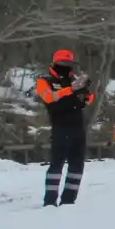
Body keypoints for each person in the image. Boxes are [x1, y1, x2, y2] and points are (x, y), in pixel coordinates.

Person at [35, 49, 95, 207]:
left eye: (69, 63)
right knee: (57, 164)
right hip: (60, 126)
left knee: (77, 165)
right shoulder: (45, 80)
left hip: (78, 126)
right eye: (63, 63)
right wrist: (71, 90)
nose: (66, 66)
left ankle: (69, 200)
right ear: (55, 63)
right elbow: (49, 97)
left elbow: (86, 100)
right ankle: (50, 201)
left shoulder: (73, 78)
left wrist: (86, 90)